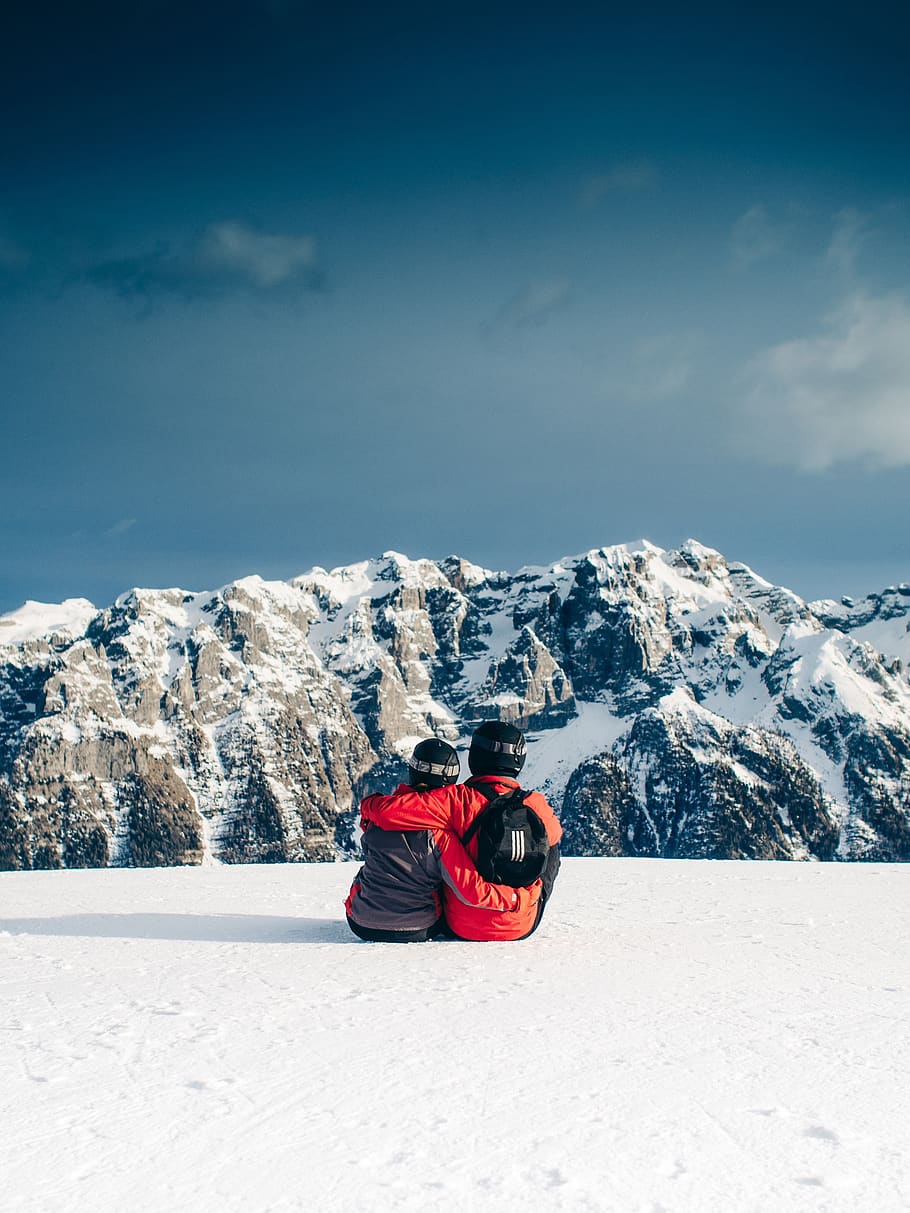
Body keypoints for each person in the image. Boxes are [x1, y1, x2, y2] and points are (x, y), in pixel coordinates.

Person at [359, 721, 562, 941]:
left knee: (438, 843)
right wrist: (524, 897)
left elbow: (388, 812)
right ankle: (523, 908)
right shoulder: (535, 803)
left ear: (474, 757)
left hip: (463, 926)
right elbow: (554, 841)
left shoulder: (456, 799)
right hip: (522, 922)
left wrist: (372, 802)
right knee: (552, 847)